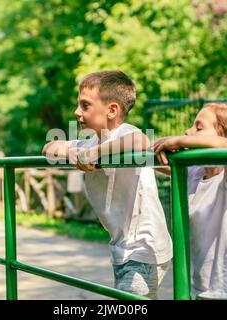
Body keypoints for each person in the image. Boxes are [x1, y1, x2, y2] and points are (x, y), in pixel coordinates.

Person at [42, 70, 172, 299]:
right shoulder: (90, 141)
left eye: (85, 105)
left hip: (144, 248)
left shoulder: (124, 134)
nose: (77, 112)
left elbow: (140, 141)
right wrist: (72, 152)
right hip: (122, 248)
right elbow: (49, 148)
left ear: (112, 110)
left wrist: (94, 154)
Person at [153, 103, 227, 300]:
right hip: (202, 292)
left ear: (223, 137)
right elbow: (155, 157)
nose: (188, 131)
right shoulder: (194, 172)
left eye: (198, 127)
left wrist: (179, 140)